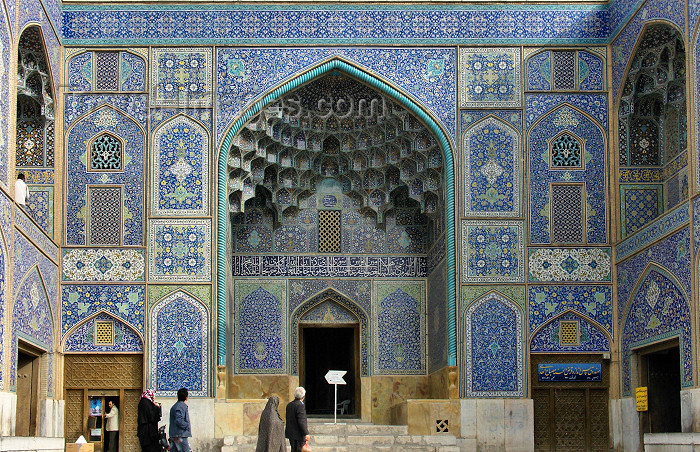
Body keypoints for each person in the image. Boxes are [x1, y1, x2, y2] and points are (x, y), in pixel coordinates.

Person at [285, 387, 310, 452]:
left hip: (291, 433)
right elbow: (301, 420)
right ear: (303, 396)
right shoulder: (300, 405)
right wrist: (306, 433)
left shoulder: (289, 405)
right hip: (298, 434)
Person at [169, 388, 192, 452]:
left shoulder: (175, 406)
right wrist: (186, 426)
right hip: (180, 435)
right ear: (186, 397)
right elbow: (179, 420)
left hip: (174, 435)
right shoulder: (181, 406)